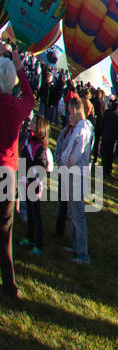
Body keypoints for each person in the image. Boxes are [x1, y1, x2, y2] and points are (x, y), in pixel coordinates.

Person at [0, 54, 34, 298]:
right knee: (5, 229)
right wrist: (21, 71)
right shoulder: (16, 107)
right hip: (6, 173)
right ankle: (10, 285)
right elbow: (31, 98)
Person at [56, 94, 94, 265]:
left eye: (70, 112)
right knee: (73, 212)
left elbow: (72, 155)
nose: (68, 116)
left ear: (76, 110)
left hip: (76, 176)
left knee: (78, 215)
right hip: (74, 175)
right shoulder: (81, 129)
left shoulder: (82, 130)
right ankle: (76, 246)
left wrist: (63, 159)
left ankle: (83, 254)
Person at [20, 117, 53, 255]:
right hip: (27, 182)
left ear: (39, 127)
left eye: (34, 122)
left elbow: (41, 168)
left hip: (34, 184)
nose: (31, 123)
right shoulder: (30, 140)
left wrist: (30, 179)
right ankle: (30, 237)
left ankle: (39, 245)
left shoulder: (40, 147)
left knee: (36, 214)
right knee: (30, 211)